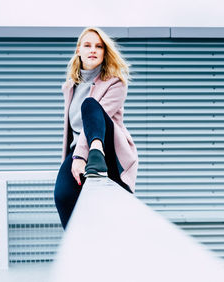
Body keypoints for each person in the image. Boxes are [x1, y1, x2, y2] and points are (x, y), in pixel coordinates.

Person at [53, 27, 138, 229]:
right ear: (78, 51)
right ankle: (77, 248)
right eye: (88, 45)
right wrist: (74, 158)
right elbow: (72, 130)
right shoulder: (69, 87)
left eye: (99, 46)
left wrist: (82, 157)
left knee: (90, 105)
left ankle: (96, 156)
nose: (93, 50)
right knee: (62, 195)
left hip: (109, 148)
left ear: (104, 52)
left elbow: (98, 117)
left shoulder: (116, 83)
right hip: (79, 148)